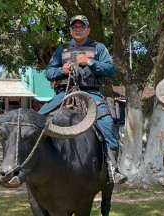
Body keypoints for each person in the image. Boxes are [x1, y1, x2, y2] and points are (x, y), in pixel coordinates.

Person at [39, 15, 127, 184]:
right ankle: (35, 164)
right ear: (70, 30)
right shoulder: (62, 49)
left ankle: (112, 167)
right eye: (74, 27)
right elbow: (48, 72)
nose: (78, 29)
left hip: (90, 93)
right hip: (62, 94)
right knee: (36, 120)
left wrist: (89, 62)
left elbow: (110, 69)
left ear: (88, 29)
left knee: (107, 124)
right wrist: (61, 71)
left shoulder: (98, 47)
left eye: (81, 26)